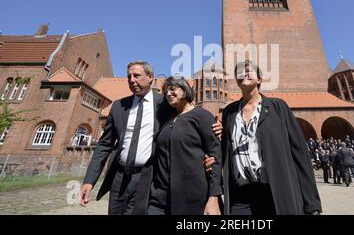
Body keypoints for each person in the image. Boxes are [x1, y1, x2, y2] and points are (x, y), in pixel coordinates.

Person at [79, 61, 222, 214]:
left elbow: (189, 116)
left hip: (146, 177)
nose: (132, 80)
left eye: (137, 75)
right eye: (129, 77)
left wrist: (218, 127)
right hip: (119, 176)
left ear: (150, 77)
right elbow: (104, 145)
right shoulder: (118, 106)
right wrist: (89, 180)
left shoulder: (165, 104)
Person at [221, 60, 322, 215]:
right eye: (239, 72)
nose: (243, 73)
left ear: (259, 79)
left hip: (276, 192)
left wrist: (311, 204)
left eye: (248, 70)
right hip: (241, 196)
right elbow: (225, 149)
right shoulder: (230, 112)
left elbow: (300, 154)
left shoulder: (277, 107)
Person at [134, 76, 222, 215]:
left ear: (185, 89)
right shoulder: (168, 119)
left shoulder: (202, 116)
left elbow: (215, 156)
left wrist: (213, 197)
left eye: (172, 89)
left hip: (190, 198)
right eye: (166, 92)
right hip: (159, 198)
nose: (168, 94)